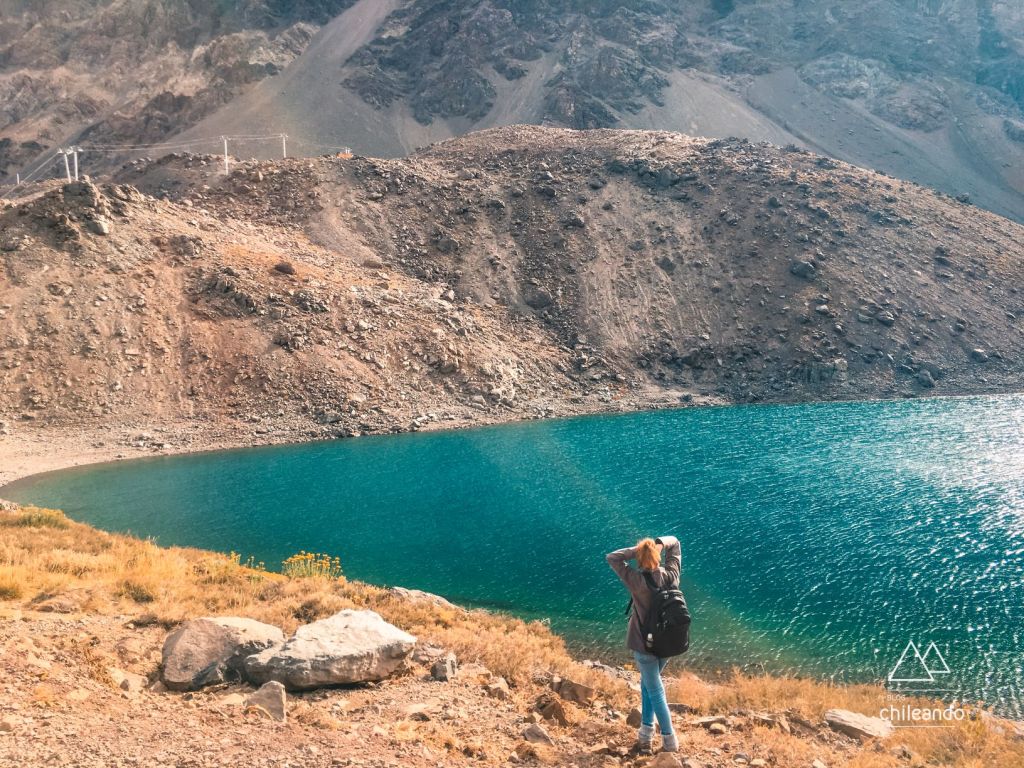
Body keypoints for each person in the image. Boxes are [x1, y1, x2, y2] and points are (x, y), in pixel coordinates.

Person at [606, 535, 681, 754]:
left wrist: (637, 550)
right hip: (666, 643)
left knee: (655, 689)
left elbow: (612, 557)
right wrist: (657, 544)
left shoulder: (636, 581)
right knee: (648, 685)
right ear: (659, 556)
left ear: (639, 559)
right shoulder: (671, 574)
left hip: (643, 643)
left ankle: (669, 740)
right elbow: (675, 542)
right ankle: (645, 734)